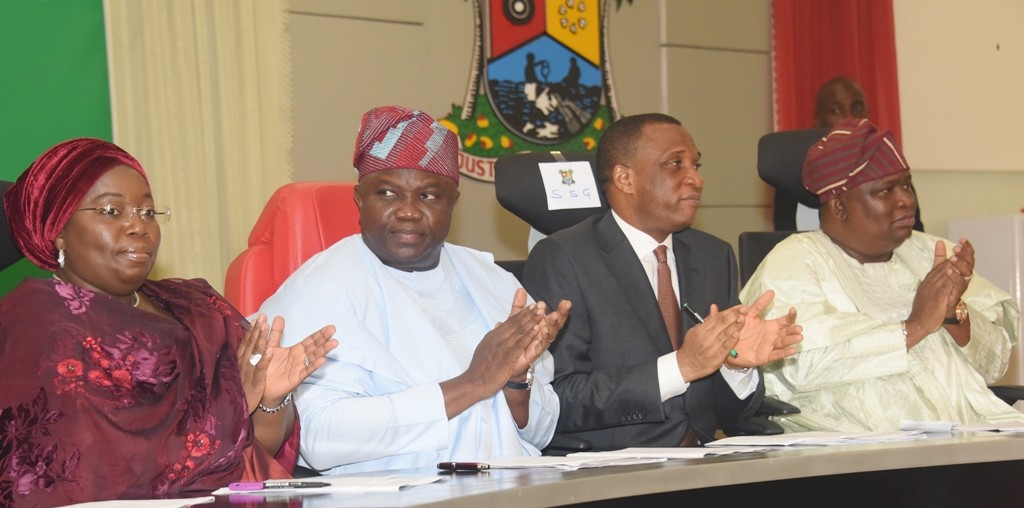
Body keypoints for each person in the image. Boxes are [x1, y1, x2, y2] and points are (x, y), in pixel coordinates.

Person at [0, 138, 338, 506]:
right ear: (58, 228)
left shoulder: (198, 306)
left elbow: (250, 460)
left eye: (147, 213)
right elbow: (101, 479)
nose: (138, 227)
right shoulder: (38, 327)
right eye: (112, 211)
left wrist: (270, 401)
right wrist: (232, 405)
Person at [258, 105, 571, 475]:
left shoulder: (494, 283)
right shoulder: (319, 292)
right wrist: (473, 383)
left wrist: (516, 382)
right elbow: (317, 438)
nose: (408, 211)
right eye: (388, 193)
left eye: (428, 196)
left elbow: (544, 431)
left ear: (453, 202)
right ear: (360, 199)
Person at [522, 113, 802, 450]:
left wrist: (735, 367)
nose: (696, 180)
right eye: (675, 164)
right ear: (625, 178)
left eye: (696, 166)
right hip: (610, 474)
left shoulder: (713, 256)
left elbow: (733, 417)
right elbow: (557, 399)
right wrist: (680, 366)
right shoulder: (563, 257)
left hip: (703, 463)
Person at [741, 118, 1022, 432]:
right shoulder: (793, 262)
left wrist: (954, 316)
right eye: (885, 190)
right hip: (858, 448)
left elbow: (994, 366)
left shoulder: (932, 253)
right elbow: (799, 364)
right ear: (838, 206)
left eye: (906, 184)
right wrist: (915, 326)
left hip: (971, 433)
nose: (906, 200)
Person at [778, 76, 924, 232]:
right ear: (817, 122)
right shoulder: (791, 182)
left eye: (857, 108)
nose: (849, 117)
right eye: (835, 110)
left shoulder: (892, 175)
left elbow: (914, 239)